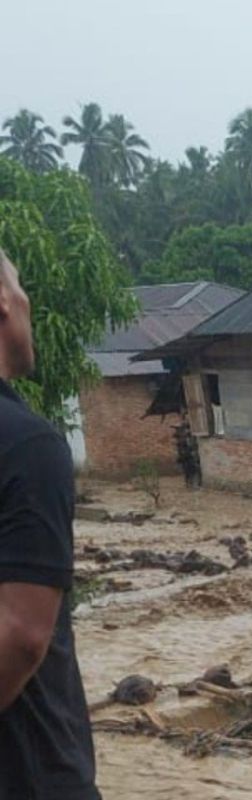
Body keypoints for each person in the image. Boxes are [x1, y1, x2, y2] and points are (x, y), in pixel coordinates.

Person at [0, 249, 101, 799]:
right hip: (31, 774)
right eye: (19, 284)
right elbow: (20, 636)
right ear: (2, 303)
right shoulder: (26, 444)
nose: (26, 300)